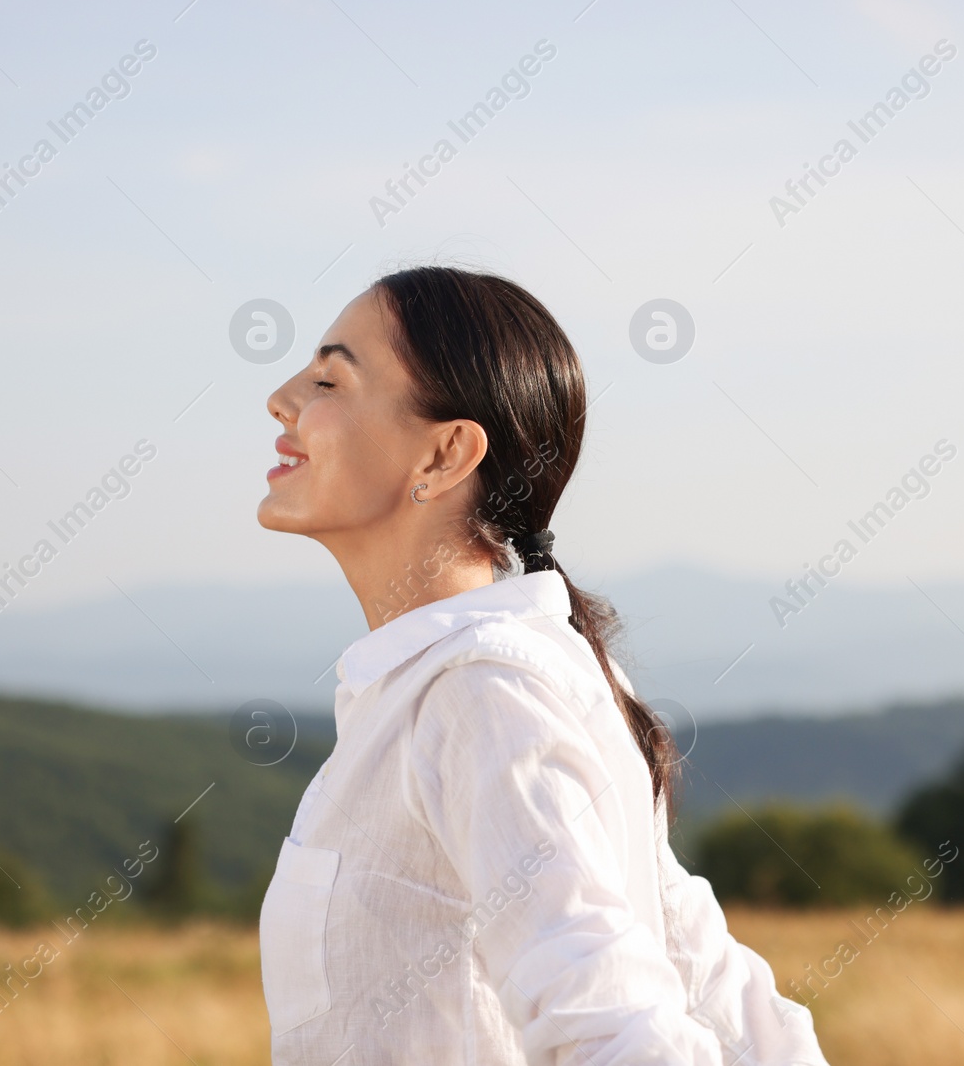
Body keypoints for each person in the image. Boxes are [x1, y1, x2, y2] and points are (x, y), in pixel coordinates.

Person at [256, 265, 830, 1065]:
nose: (282, 398)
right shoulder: (480, 677)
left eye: (328, 378)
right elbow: (703, 975)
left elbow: (611, 1021)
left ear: (446, 452)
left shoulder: (479, 691)